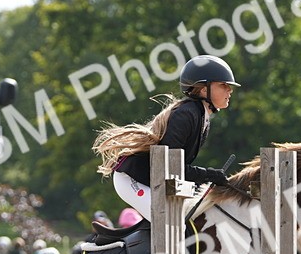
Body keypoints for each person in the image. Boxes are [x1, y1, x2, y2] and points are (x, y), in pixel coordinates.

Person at [92, 54, 238, 223]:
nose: (230, 90)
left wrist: (208, 176)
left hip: (153, 179)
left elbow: (175, 168)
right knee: (170, 222)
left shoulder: (201, 116)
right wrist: (208, 175)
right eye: (223, 85)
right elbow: (169, 165)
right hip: (132, 179)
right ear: (204, 89)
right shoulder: (187, 114)